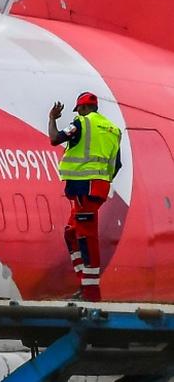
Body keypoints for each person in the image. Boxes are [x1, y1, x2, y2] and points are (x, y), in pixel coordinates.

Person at [48, 92, 122, 302]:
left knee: (85, 236)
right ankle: (85, 283)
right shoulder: (113, 130)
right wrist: (101, 180)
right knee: (72, 233)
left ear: (82, 108)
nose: (77, 112)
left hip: (84, 188)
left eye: (78, 109)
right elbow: (116, 165)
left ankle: (91, 292)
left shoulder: (80, 123)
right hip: (98, 189)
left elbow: (55, 139)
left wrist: (52, 118)